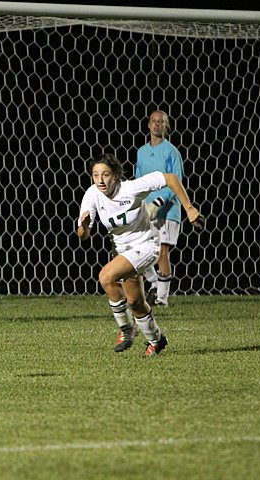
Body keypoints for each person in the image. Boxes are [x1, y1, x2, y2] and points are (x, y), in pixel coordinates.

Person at [77, 153, 204, 356]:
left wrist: (189, 208)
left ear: (116, 175)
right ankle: (156, 340)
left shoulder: (131, 188)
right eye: (95, 175)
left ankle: (127, 328)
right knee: (135, 302)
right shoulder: (92, 195)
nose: (100, 180)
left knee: (106, 276)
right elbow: (82, 235)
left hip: (147, 245)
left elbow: (170, 178)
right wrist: (83, 226)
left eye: (106, 175)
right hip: (123, 252)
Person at [135, 110, 185, 307]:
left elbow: (176, 182)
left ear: (166, 126)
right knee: (137, 247)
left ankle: (161, 299)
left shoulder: (171, 152)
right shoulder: (141, 152)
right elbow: (139, 180)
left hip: (168, 209)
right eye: (154, 121)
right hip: (147, 208)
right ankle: (155, 284)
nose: (157, 125)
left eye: (161, 122)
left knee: (162, 250)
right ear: (148, 125)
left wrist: (158, 202)